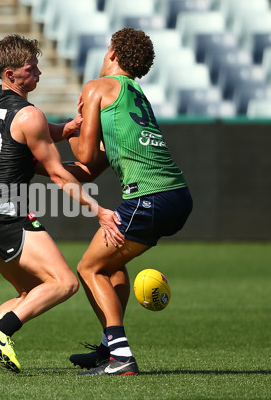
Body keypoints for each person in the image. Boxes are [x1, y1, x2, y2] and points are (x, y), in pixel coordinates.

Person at [0, 34, 120, 374]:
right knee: (64, 283)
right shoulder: (30, 114)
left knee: (29, 293)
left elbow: (28, 134)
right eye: (31, 68)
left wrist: (68, 128)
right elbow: (57, 174)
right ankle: (1, 332)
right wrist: (99, 211)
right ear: (11, 74)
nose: (38, 73)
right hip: (7, 212)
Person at [64, 27, 193, 376]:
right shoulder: (136, 94)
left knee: (88, 268)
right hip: (176, 196)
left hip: (149, 196)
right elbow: (93, 169)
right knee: (110, 266)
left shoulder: (96, 89)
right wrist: (43, 168)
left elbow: (86, 157)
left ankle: (120, 357)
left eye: (107, 49)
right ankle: (110, 349)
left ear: (114, 54)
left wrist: (73, 127)